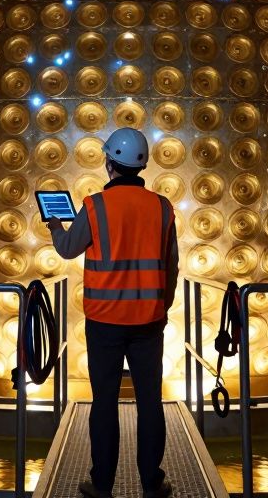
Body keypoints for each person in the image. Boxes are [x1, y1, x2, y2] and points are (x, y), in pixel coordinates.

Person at [47, 127, 179, 498]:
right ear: (141, 167)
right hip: (149, 322)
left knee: (104, 402)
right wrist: (162, 308)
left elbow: (69, 249)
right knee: (150, 403)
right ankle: (152, 484)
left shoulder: (94, 206)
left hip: (104, 321)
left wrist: (57, 227)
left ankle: (102, 484)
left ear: (109, 163)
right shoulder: (162, 207)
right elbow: (172, 265)